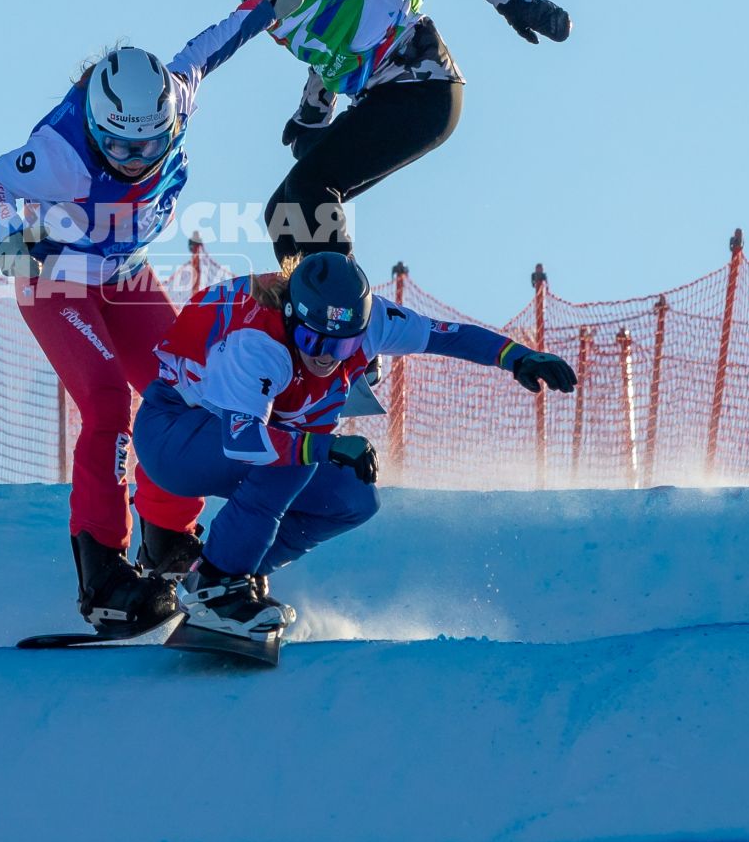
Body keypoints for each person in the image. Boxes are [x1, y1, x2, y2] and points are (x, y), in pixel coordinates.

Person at [0, 0, 279, 636]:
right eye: (118, 144)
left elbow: (215, 43)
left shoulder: (176, 94)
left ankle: (169, 536)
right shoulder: (61, 151)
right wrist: (10, 236)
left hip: (124, 274)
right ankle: (105, 576)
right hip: (56, 279)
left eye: (149, 143)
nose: (136, 155)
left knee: (190, 394)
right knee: (109, 404)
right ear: (95, 123)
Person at [134, 251, 577, 648]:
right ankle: (217, 585)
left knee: (353, 498)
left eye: (343, 346)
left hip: (244, 434)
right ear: (290, 317)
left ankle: (223, 571)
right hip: (174, 436)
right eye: (313, 342)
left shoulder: (371, 321)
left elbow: (447, 335)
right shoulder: (258, 346)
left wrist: (515, 356)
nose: (326, 357)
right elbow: (244, 441)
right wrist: (324, 446)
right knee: (294, 457)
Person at [190, 0, 572, 267]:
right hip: (382, 94)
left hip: (424, 87)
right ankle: (301, 313)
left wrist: (513, 1)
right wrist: (313, 112)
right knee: (283, 215)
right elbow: (335, 43)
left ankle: (341, 306)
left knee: (311, 188)